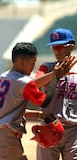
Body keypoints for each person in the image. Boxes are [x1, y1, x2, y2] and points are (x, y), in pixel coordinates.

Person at [0, 42, 75, 160]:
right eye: (32, 62)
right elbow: (44, 101)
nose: (33, 66)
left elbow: (28, 89)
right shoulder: (23, 82)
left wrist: (40, 115)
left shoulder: (4, 76)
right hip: (7, 142)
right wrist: (56, 78)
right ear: (22, 61)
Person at [35, 28, 77, 160]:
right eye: (54, 47)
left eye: (59, 46)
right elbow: (33, 84)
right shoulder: (47, 67)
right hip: (49, 127)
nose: (56, 51)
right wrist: (55, 75)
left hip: (74, 130)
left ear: (71, 47)